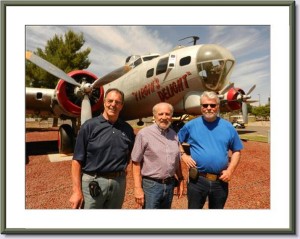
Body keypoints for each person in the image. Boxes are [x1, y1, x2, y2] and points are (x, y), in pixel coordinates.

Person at [69, 88, 135, 209]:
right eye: (110, 101)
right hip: (93, 181)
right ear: (104, 102)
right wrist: (76, 191)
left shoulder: (127, 129)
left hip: (118, 184)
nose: (113, 105)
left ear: (121, 106)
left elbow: (130, 153)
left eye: (117, 102)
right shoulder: (89, 126)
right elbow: (77, 160)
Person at [178, 91, 243, 209]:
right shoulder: (191, 125)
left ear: (217, 107)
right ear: (201, 107)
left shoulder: (228, 127)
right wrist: (183, 155)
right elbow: (176, 140)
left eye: (212, 105)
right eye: (205, 105)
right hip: (197, 181)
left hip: (220, 181)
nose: (209, 108)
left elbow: (237, 151)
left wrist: (230, 171)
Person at [131, 102, 184, 209]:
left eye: (167, 114)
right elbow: (136, 162)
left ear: (171, 116)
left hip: (170, 184)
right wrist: (137, 188)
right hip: (151, 186)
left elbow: (176, 160)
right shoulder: (144, 134)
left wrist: (181, 179)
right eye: (161, 114)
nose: (164, 117)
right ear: (154, 116)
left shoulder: (174, 135)